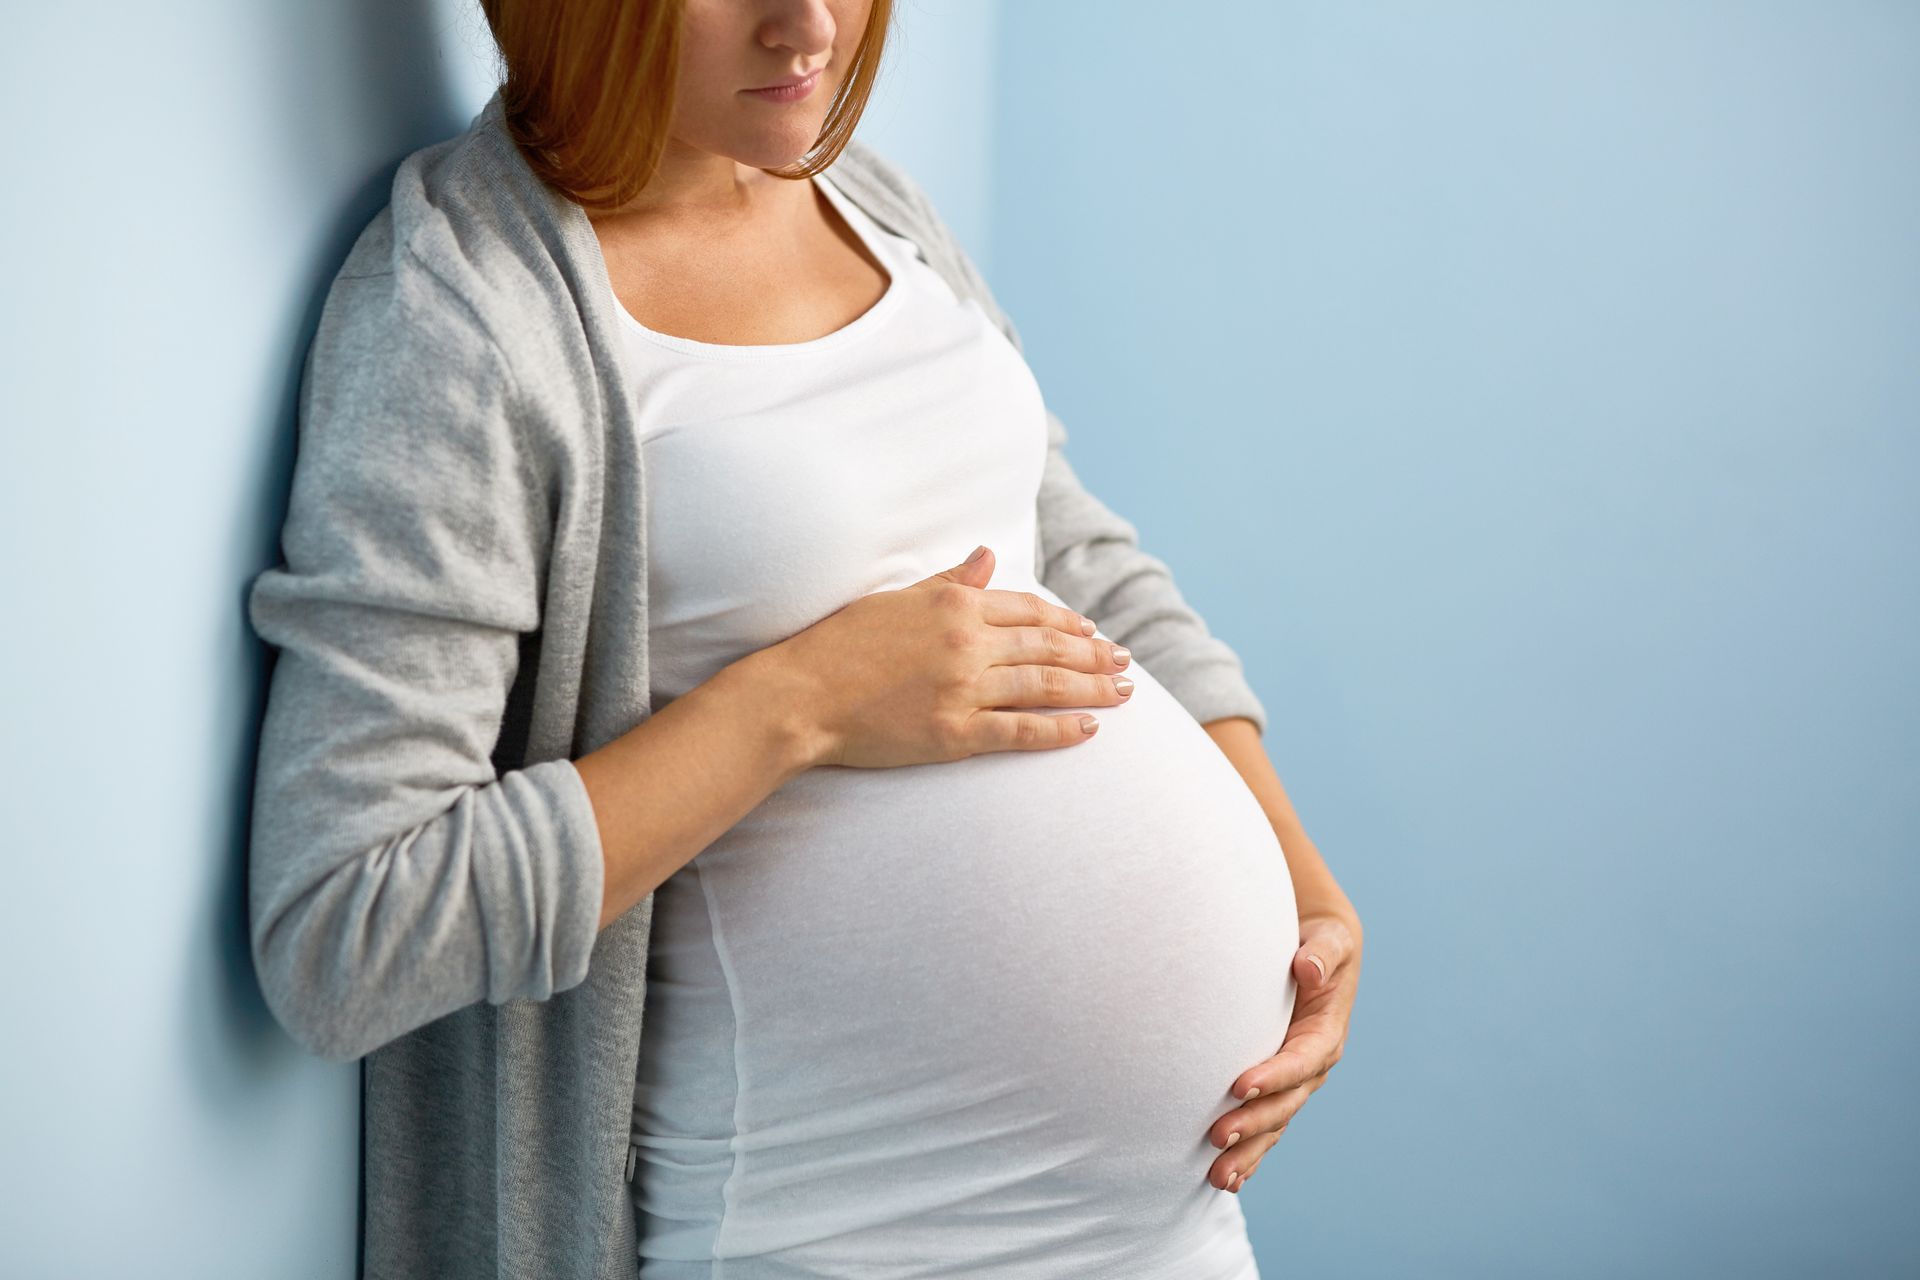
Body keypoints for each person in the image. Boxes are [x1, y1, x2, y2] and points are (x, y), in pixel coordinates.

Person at [245, 1, 1364, 1276]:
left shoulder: (861, 195)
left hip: (1171, 1231)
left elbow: (1076, 552)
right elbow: (347, 927)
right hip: (833, 1231)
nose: (812, 27)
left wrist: (1299, 884)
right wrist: (800, 702)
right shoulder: (464, 315)